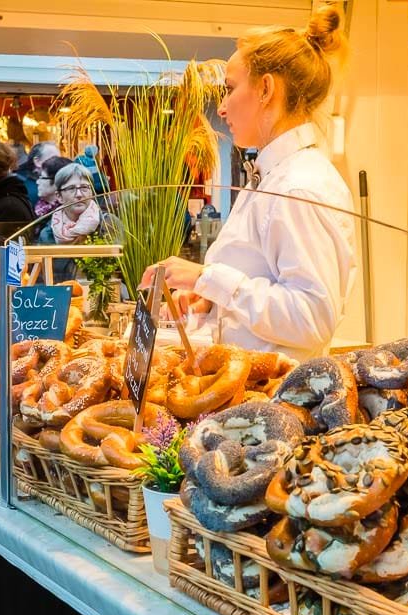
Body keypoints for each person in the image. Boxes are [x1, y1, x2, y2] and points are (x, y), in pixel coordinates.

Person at [141, 4, 356, 361]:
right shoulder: (274, 175)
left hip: (275, 398)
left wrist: (206, 279)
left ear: (266, 89)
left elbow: (310, 319)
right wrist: (210, 299)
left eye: (229, 88)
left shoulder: (298, 186)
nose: (222, 108)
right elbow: (262, 284)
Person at [44, 163, 121, 281]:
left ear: (92, 192)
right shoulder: (48, 232)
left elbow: (120, 270)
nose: (79, 194)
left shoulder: (108, 224)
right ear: (59, 196)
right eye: (71, 188)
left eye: (84, 188)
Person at [15, 141, 59, 207]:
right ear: (37, 161)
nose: (59, 163)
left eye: (60, 159)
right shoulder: (26, 189)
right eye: (54, 159)